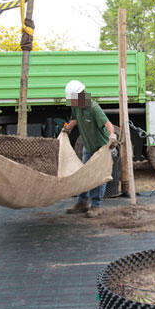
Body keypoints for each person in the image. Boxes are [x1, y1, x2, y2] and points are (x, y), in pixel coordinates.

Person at [62, 80, 117, 218]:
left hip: (101, 148)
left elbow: (108, 123)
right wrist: (67, 127)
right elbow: (74, 119)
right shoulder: (76, 106)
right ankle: (82, 203)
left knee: (98, 177)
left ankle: (96, 206)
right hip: (88, 146)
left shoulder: (93, 107)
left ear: (80, 95)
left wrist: (112, 136)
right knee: (84, 175)